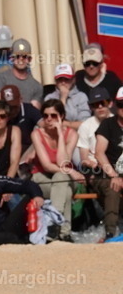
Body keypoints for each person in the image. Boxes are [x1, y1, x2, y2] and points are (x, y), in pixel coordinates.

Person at [31, 98, 84, 241]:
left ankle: (53, 223)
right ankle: (64, 233)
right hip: (42, 177)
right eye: (45, 115)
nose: (49, 119)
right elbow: (47, 166)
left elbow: (63, 162)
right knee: (65, 191)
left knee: (60, 178)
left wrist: (60, 134)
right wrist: (71, 171)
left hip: (63, 178)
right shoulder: (37, 134)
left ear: (62, 116)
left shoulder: (71, 134)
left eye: (53, 115)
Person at [92, 85, 123, 239]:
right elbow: (99, 153)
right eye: (121, 104)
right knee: (113, 188)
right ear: (116, 105)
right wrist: (114, 175)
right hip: (105, 174)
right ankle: (110, 233)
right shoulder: (107, 124)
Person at [0, 39, 43, 108]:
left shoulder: (37, 86)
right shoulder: (0, 78)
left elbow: (34, 110)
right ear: (12, 58)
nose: (21, 59)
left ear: (30, 59)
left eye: (24, 56)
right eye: (17, 56)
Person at [44, 64, 91, 130]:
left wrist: (64, 124)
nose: (63, 82)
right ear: (56, 81)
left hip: (77, 133)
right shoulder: (49, 98)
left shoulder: (81, 97)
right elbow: (49, 121)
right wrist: (63, 98)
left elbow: (85, 123)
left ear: (73, 79)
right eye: (60, 79)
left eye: (66, 79)